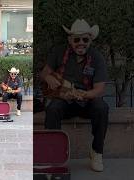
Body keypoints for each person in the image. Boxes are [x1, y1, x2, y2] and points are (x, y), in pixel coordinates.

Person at [40, 19, 109, 172]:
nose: (81, 43)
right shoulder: (59, 52)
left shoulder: (97, 57)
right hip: (65, 100)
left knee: (102, 107)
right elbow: (44, 73)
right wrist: (49, 78)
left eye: (85, 39)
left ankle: (97, 152)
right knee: (52, 109)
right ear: (70, 40)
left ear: (90, 40)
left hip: (87, 100)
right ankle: (53, 153)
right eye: (77, 39)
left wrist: (84, 94)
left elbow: (100, 89)